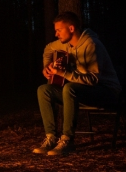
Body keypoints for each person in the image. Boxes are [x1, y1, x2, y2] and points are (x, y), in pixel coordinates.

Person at [33, 12, 121, 155]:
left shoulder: (91, 44)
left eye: (59, 30)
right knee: (44, 89)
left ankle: (67, 140)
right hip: (82, 92)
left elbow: (93, 80)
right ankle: (51, 138)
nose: (56, 34)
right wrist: (47, 67)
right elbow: (48, 48)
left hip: (106, 92)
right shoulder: (67, 44)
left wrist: (63, 73)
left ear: (71, 29)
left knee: (69, 87)